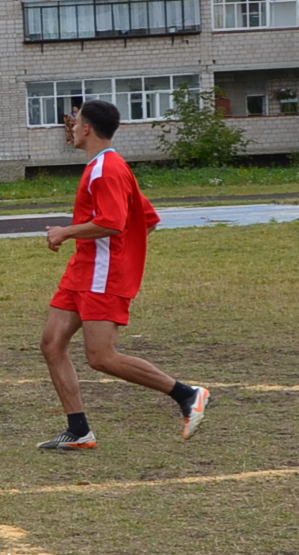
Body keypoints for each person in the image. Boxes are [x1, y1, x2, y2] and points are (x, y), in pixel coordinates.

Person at [38, 99, 209, 451]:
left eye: (76, 120)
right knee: (52, 344)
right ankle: (79, 430)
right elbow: (147, 221)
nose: (70, 125)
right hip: (84, 270)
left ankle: (187, 394)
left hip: (102, 276)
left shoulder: (107, 170)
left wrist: (66, 232)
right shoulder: (105, 166)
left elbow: (113, 223)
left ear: (88, 129)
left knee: (101, 356)